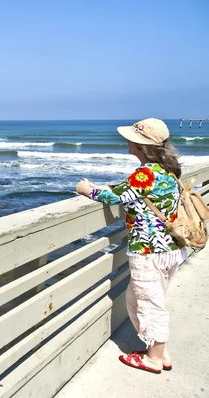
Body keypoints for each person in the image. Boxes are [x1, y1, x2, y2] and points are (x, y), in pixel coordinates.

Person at [76, 118, 186, 374]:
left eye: (132, 139)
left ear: (141, 145)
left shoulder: (145, 174)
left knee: (149, 304)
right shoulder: (167, 170)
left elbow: (115, 196)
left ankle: (153, 359)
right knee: (138, 300)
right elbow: (130, 190)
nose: (127, 141)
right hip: (171, 249)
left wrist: (86, 190)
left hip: (149, 251)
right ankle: (160, 350)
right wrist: (108, 188)